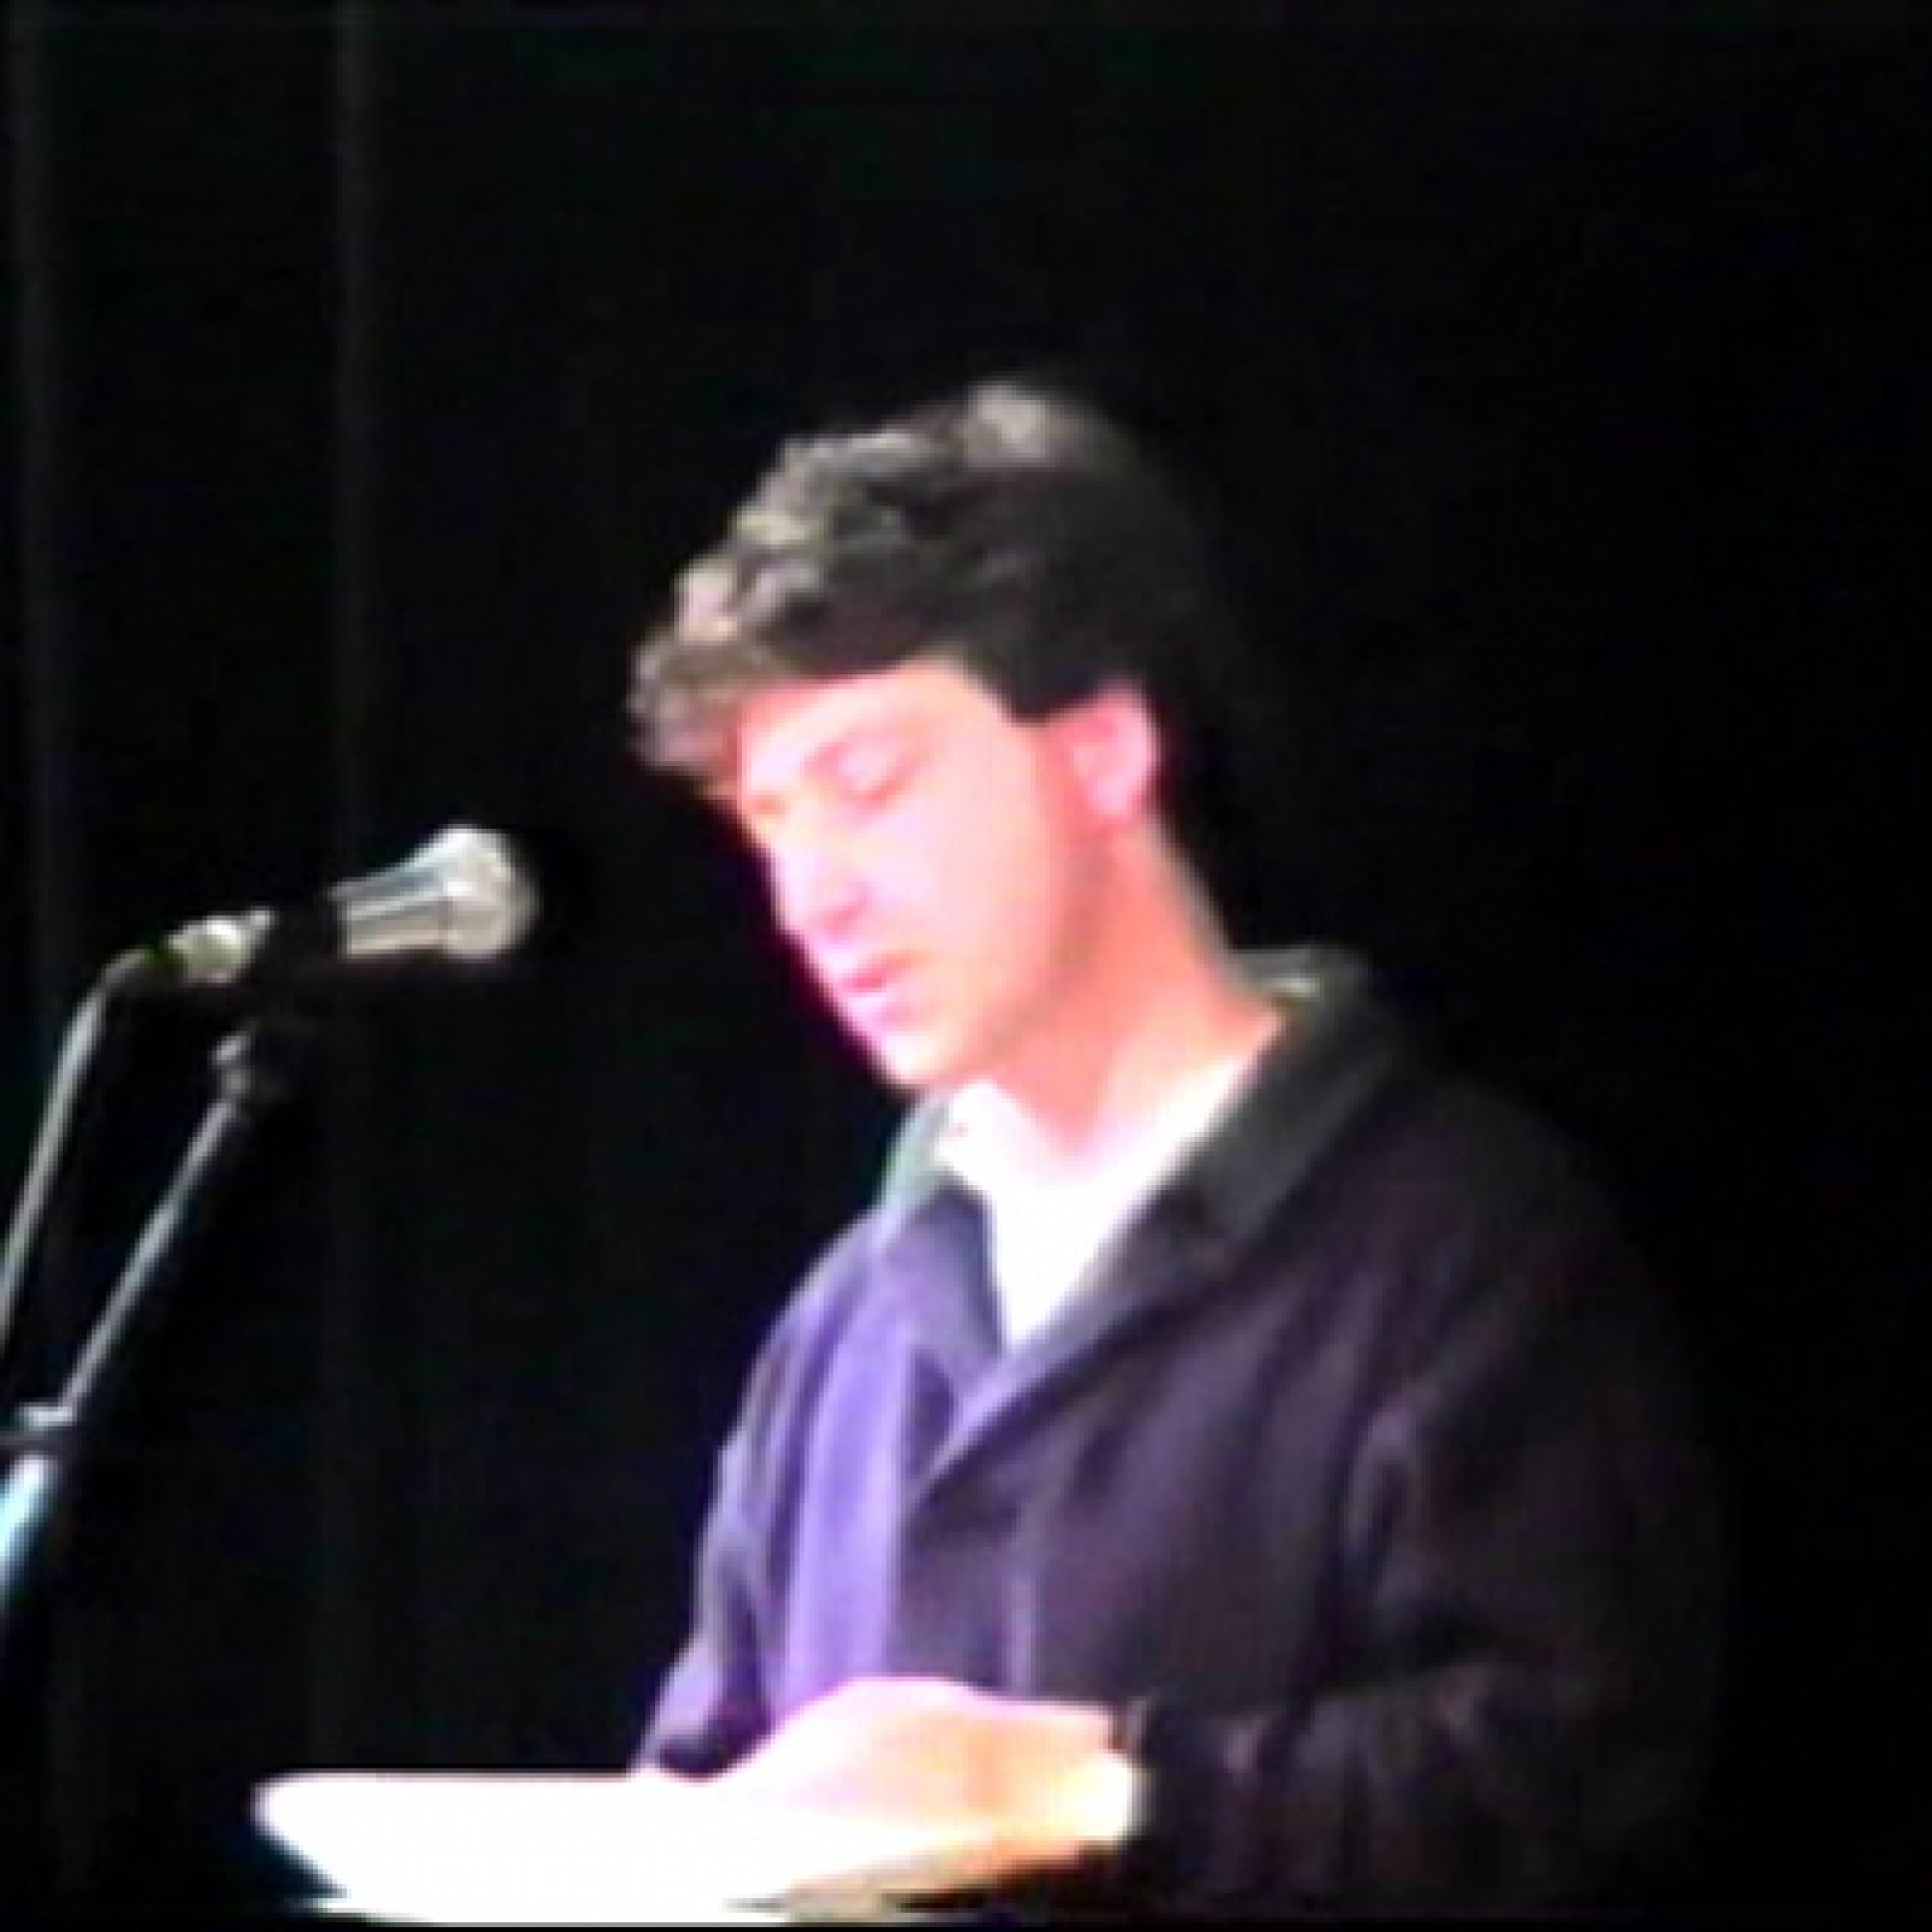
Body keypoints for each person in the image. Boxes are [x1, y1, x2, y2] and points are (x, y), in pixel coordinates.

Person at [622, 376, 1723, 1913]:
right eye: (771, 825)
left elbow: (1573, 1782)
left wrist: (1092, 1790)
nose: (814, 897)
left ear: (1101, 754)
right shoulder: (847, 1321)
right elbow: (704, 1792)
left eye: (870, 787)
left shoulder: (1460, 1247)